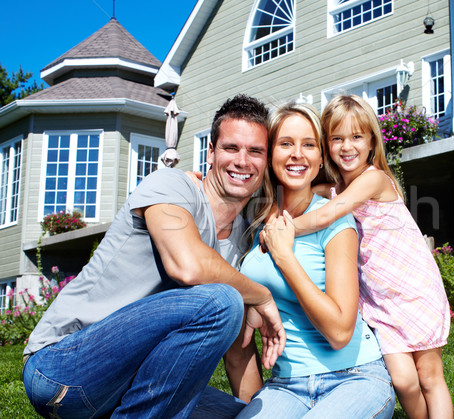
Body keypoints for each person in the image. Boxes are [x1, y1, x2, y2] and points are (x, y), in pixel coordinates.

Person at [22, 94, 286, 419]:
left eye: (255, 151)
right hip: (63, 364)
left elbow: (236, 354)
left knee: (244, 416)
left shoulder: (239, 243)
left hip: (134, 382)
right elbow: (187, 266)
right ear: (211, 153)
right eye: (231, 148)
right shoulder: (171, 185)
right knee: (223, 300)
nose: (242, 161)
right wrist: (261, 295)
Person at [291, 94, 453, 419]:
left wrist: (285, 229)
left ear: (370, 142)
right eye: (337, 138)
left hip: (415, 290)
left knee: (429, 375)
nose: (346, 146)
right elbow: (311, 190)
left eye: (356, 137)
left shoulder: (374, 179)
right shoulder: (339, 186)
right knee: (404, 381)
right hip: (382, 303)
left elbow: (327, 214)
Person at [233, 101, 395, 418]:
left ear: (321, 158)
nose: (298, 154)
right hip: (283, 385)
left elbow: (338, 332)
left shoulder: (335, 223)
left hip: (355, 377)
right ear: (269, 154)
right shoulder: (255, 223)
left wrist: (285, 258)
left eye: (309, 145)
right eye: (286, 144)